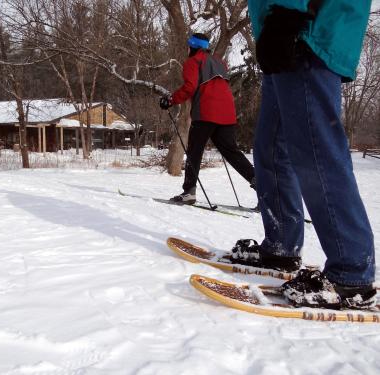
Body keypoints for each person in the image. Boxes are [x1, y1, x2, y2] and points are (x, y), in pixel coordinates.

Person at [231, 0, 376, 309]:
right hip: (284, 31)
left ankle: (351, 273)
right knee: (270, 149)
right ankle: (281, 245)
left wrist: (288, 11)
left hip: (307, 29)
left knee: (316, 152)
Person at [159, 33, 256, 205]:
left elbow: (190, 87)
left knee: (195, 150)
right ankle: (263, 188)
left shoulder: (193, 62)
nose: (187, 49)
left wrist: (171, 100)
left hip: (206, 112)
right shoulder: (219, 61)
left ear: (193, 47)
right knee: (232, 152)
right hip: (227, 112)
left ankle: (189, 192)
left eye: (188, 46)